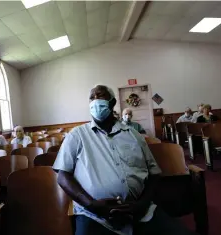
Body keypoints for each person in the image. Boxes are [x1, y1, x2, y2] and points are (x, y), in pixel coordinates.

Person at [53, 85, 196, 235]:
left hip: (142, 213)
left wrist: (142, 204)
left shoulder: (134, 135)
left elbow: (154, 173)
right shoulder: (76, 135)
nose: (95, 100)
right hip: (95, 216)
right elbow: (63, 177)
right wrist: (91, 204)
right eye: (92, 97)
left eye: (100, 96)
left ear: (112, 102)